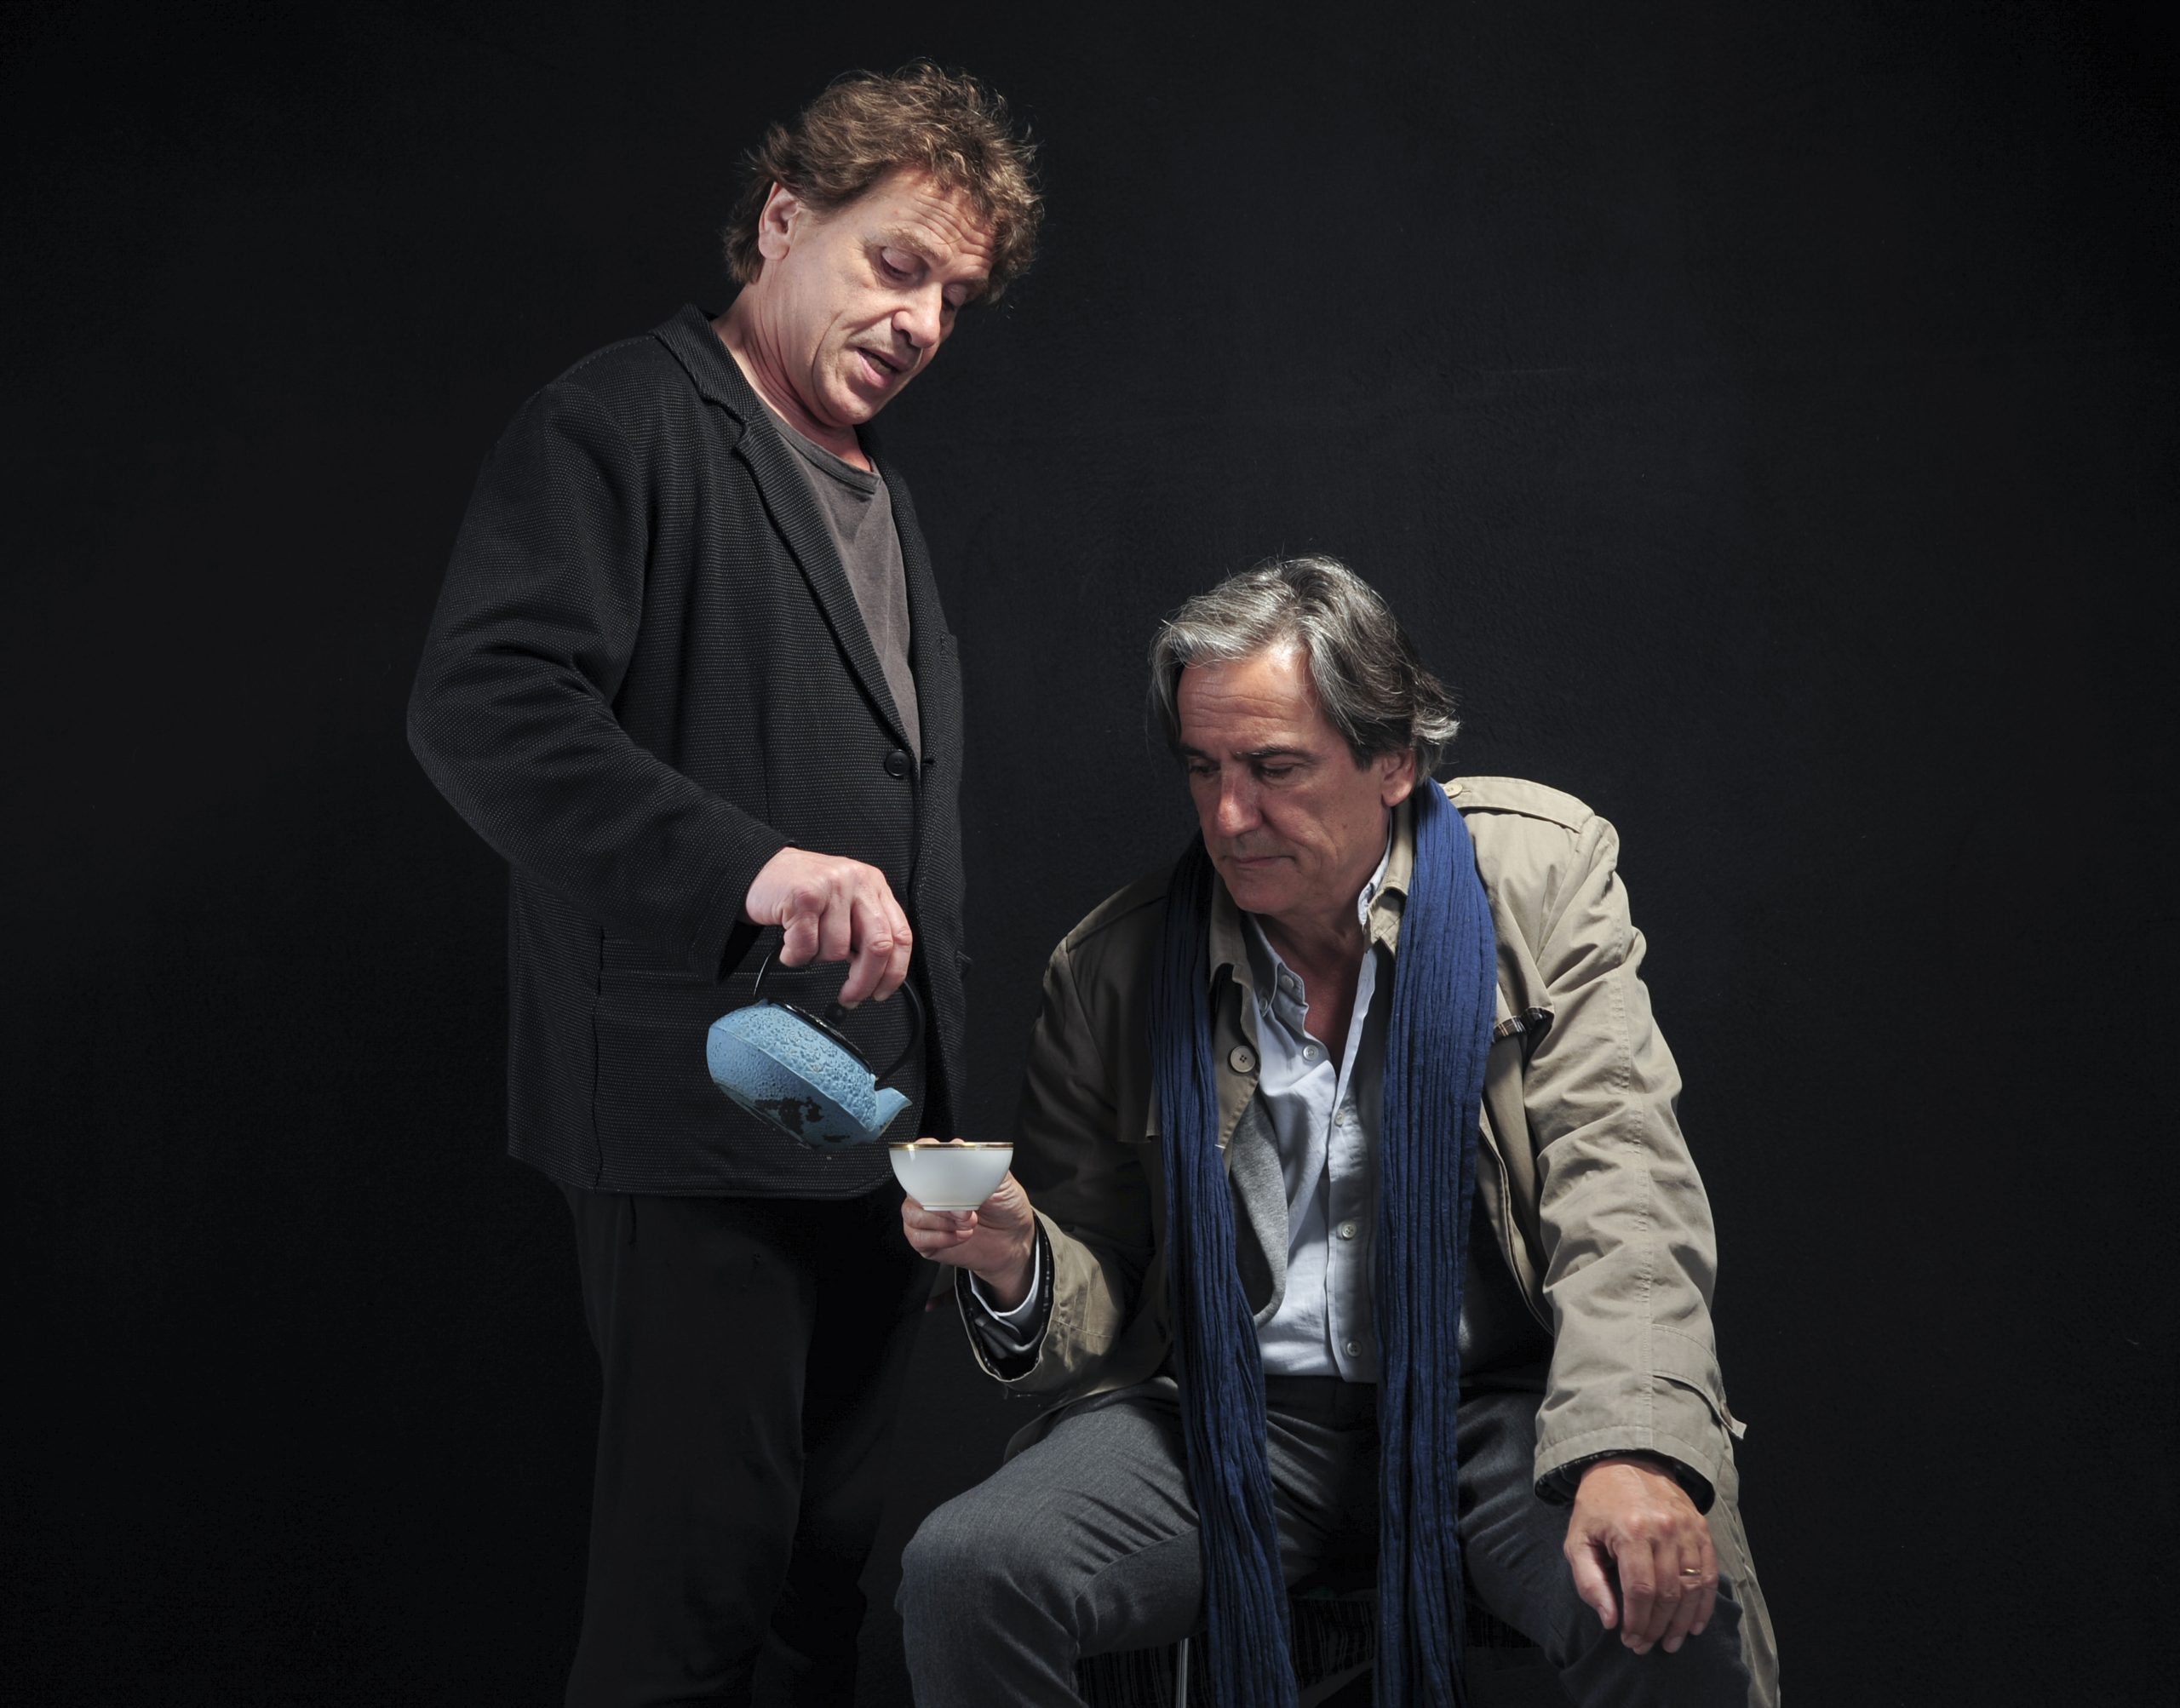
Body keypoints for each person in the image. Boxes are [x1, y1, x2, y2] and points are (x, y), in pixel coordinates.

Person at [405, 63, 1039, 1707]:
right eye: (898, 263)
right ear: (781, 220)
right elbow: (482, 708)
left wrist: (939, 1106)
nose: (923, 322)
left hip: (871, 1142)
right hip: (698, 1124)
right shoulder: (618, 420)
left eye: (954, 298)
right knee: (689, 1614)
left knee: (819, 1601)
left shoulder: (881, 490)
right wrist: (747, 866)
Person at [896, 558, 1780, 1705]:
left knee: (1656, 1586)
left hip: (1499, 1408)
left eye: (1274, 768)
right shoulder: (1112, 965)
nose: (1229, 816)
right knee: (967, 1570)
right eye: (1204, 768)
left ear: (1395, 758)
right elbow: (1107, 1297)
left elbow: (1624, 1181)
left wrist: (1633, 1444)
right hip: (1229, 1420)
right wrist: (1021, 1261)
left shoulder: (1540, 878)